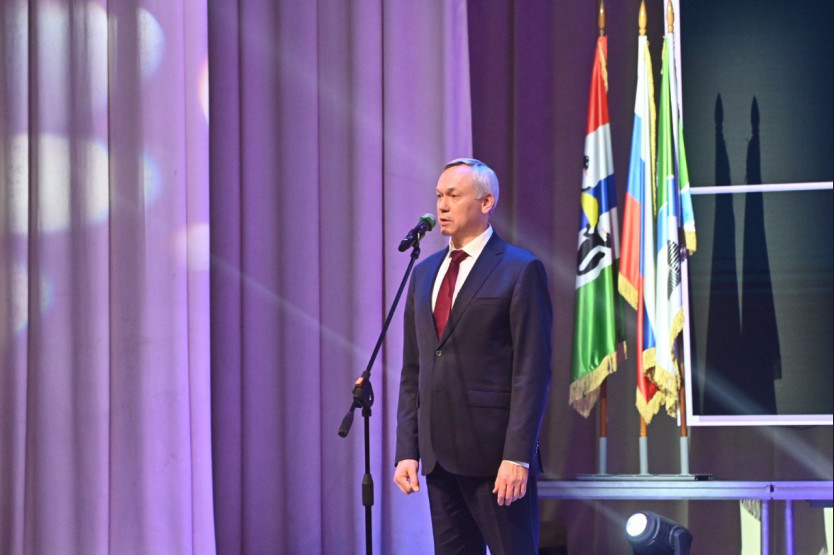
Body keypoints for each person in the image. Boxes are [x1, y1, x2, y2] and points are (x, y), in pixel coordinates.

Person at [394, 158, 553, 554]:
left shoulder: (520, 269)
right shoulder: (424, 273)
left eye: (453, 195)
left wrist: (518, 456)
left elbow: (532, 372)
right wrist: (407, 451)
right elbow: (413, 370)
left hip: (495, 461)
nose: (442, 205)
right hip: (439, 461)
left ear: (486, 202)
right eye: (439, 196)